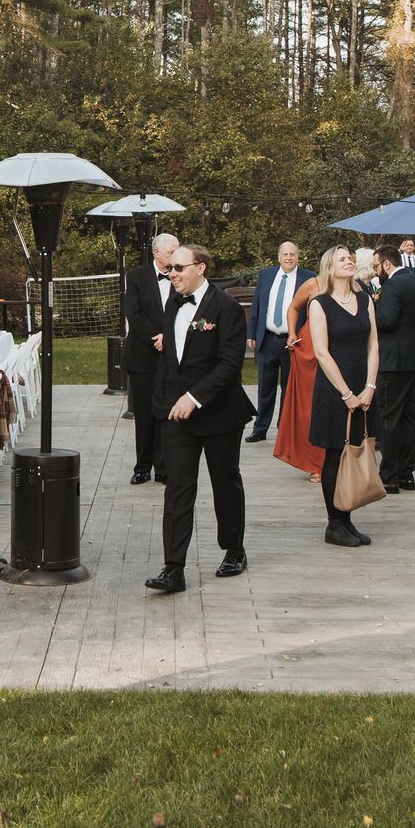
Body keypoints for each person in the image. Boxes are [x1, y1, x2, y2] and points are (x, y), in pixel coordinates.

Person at [145, 244, 253, 594]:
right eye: (170, 268)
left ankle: (234, 550)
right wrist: (164, 402)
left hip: (219, 413)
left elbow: (228, 365)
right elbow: (171, 360)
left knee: (225, 483)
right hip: (176, 415)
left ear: (201, 268)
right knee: (177, 489)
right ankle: (173, 568)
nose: (171, 273)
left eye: (178, 268)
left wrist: (195, 398)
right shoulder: (172, 304)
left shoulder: (226, 308)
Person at [306, 245, 380, 547]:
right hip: (334, 389)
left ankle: (347, 518)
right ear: (330, 267)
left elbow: (373, 345)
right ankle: (334, 524)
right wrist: (347, 393)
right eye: (342, 259)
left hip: (364, 386)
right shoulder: (319, 303)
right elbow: (321, 352)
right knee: (336, 452)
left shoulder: (365, 300)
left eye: (351, 258)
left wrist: (370, 387)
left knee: (357, 449)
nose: (349, 261)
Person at [119, 233, 178, 485]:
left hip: (172, 355)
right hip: (143, 354)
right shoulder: (137, 276)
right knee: (144, 415)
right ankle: (142, 467)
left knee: (165, 413)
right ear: (156, 252)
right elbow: (133, 314)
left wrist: (169, 337)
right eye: (171, 252)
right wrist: (157, 336)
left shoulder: (181, 275)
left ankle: (164, 468)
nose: (175, 256)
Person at [370, 245, 415, 491]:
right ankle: (406, 473)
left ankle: (389, 475)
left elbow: (387, 321)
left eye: (376, 266)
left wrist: (372, 307)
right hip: (413, 360)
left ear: (386, 264)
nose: (375, 271)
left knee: (388, 417)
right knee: (407, 416)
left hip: (392, 361)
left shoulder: (392, 285)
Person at [244, 241, 312, 444]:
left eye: (292, 254)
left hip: (293, 342)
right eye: (285, 254)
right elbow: (257, 306)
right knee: (265, 387)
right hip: (268, 339)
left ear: (298, 256)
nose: (289, 258)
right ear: (279, 256)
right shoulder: (266, 275)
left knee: (289, 389)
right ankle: (260, 428)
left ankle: (285, 429)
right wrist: (252, 333)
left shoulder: (308, 278)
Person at [270, 265, 330, 482]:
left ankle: (335, 461)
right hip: (310, 349)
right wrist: (292, 333)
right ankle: (314, 463)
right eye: (342, 260)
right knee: (309, 405)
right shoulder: (313, 284)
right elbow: (293, 308)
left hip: (337, 347)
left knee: (332, 405)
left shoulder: (353, 288)